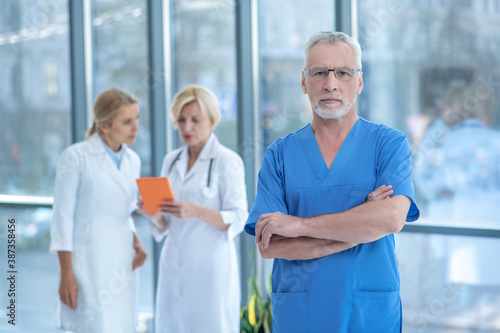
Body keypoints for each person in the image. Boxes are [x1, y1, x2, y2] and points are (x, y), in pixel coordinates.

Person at [244, 31, 420, 332]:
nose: (331, 83)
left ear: (360, 82)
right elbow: (270, 245)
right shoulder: (280, 154)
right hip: (301, 314)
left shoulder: (388, 144)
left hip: (368, 313)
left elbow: (391, 218)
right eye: (319, 72)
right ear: (303, 82)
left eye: (343, 72)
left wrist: (298, 226)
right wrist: (362, 226)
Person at [137, 84, 248, 333]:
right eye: (181, 120)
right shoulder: (171, 160)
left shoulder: (227, 161)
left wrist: (197, 211)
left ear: (212, 120)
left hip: (210, 270)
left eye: (195, 120)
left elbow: (239, 217)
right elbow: (166, 224)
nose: (186, 128)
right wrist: (155, 216)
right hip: (172, 266)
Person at [50, 88, 147, 333]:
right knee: (93, 324)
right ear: (104, 126)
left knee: (121, 324)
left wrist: (136, 240)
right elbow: (61, 218)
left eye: (136, 119)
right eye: (127, 122)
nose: (136, 128)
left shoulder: (133, 161)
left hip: (123, 257)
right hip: (88, 261)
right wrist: (66, 273)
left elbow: (122, 212)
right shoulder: (75, 157)